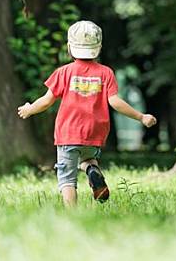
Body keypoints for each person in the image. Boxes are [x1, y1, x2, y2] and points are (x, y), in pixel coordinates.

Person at [17, 20, 156, 206]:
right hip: (94, 132)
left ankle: (72, 213)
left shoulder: (63, 72)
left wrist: (29, 109)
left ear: (69, 47)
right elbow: (115, 102)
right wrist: (141, 116)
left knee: (66, 177)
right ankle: (92, 169)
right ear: (98, 47)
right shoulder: (106, 73)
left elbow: (47, 100)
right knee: (87, 158)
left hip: (68, 132)